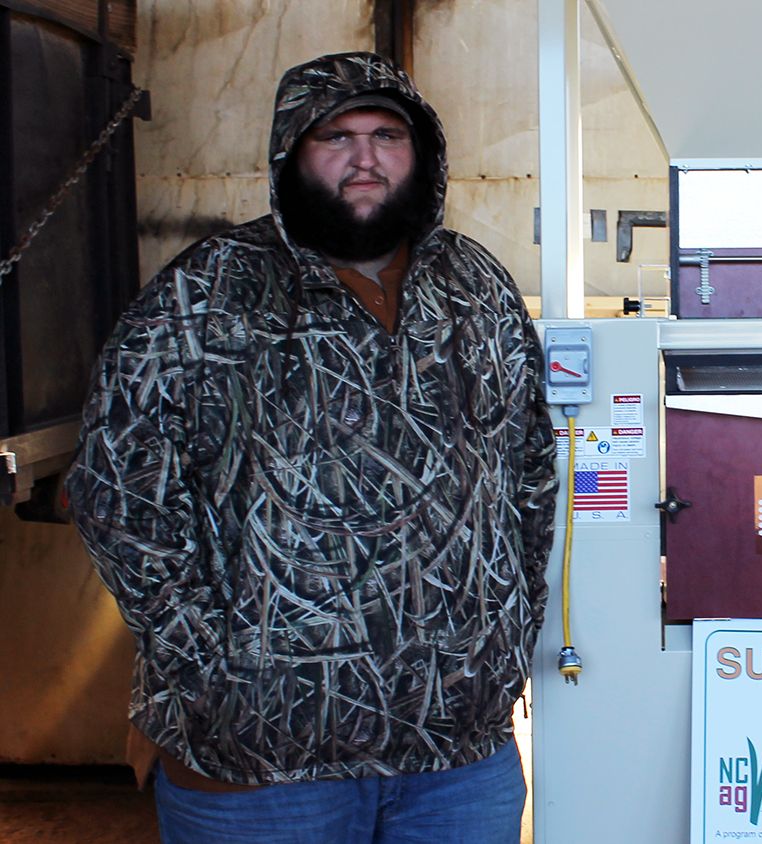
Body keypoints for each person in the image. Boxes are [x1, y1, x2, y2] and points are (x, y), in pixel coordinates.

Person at [65, 52, 557, 842]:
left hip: (455, 756)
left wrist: (505, 637)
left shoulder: (478, 289)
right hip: (259, 767)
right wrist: (218, 675)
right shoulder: (207, 295)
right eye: (336, 136)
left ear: (421, 155)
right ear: (290, 155)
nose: (365, 158)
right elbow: (119, 497)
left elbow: (531, 469)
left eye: (387, 135)